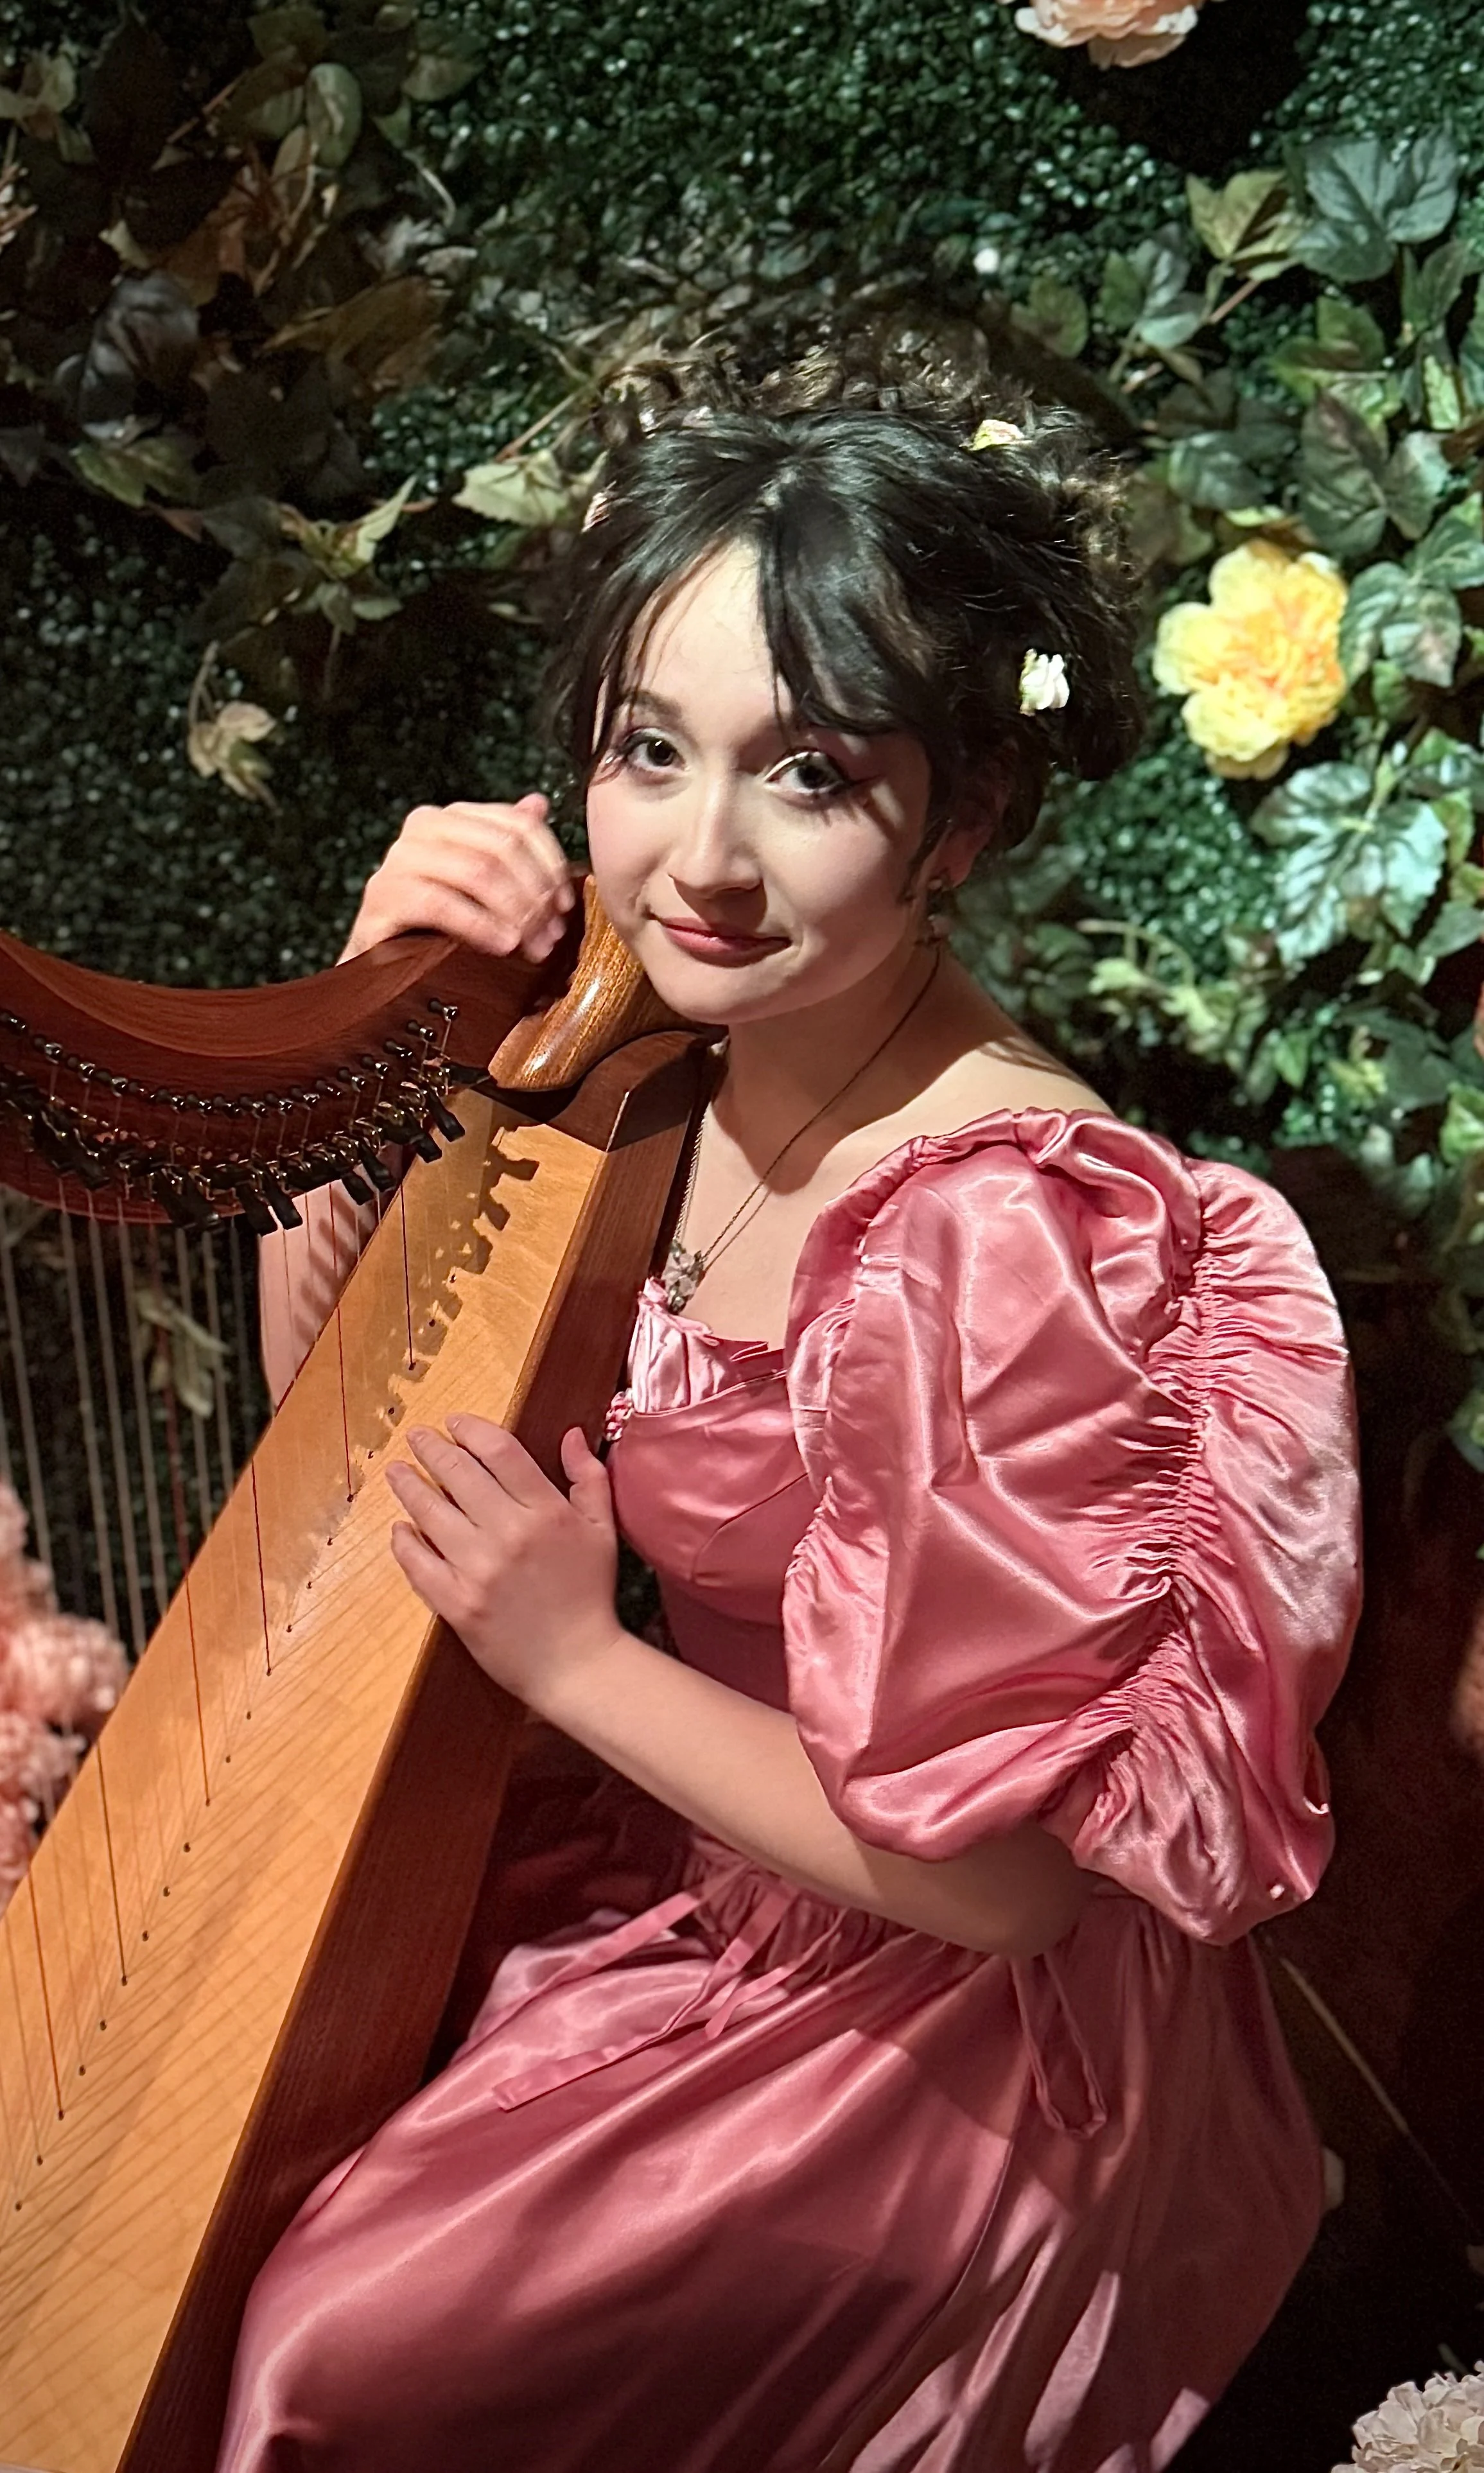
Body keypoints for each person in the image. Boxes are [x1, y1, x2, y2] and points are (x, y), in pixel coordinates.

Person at [220, 336, 1363, 2473]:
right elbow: (362, 1454)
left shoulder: (994, 1231)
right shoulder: (669, 1047)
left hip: (935, 2017)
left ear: (968, 816)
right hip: (694, 1847)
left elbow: (1009, 1887)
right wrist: (367, 1038)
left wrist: (563, 1650)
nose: (699, 861)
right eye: (651, 751)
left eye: (812, 776)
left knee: (325, 2351)